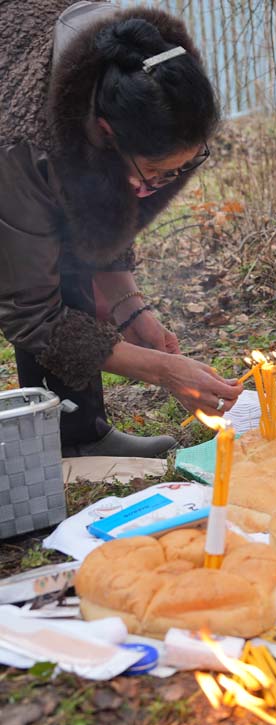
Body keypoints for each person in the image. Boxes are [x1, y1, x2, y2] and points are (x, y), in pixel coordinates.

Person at [0, 1, 243, 457]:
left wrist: (132, 311)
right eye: (155, 172)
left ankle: (80, 435)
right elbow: (32, 317)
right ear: (106, 133)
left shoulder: (151, 80)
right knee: (46, 268)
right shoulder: (22, 150)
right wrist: (162, 371)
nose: (158, 187)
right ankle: (56, 447)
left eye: (180, 168)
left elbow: (100, 221)